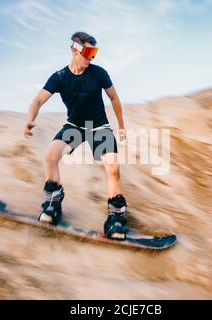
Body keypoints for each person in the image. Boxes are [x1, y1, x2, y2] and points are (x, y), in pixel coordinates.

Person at [23, 31, 129, 240]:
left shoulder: (99, 73)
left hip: (98, 126)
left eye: (94, 52)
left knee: (113, 167)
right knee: (51, 155)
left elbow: (114, 98)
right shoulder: (60, 77)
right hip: (74, 127)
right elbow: (37, 101)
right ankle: (53, 205)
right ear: (75, 49)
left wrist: (121, 125)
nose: (91, 57)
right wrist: (30, 118)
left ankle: (115, 218)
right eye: (88, 52)